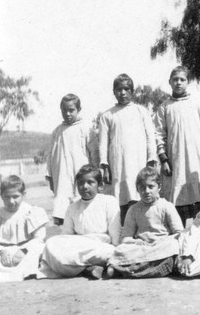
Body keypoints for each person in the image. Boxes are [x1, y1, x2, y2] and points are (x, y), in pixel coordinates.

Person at [154, 66, 200, 225]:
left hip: (196, 157)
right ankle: (178, 229)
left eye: (182, 79)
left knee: (198, 191)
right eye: (175, 80)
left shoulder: (197, 103)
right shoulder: (165, 107)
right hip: (175, 159)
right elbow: (159, 134)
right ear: (170, 82)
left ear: (188, 82)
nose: (178, 83)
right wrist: (164, 160)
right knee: (177, 193)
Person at [39, 165, 121, 279]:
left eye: (90, 182)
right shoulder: (72, 208)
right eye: (81, 183)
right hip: (79, 246)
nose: (84, 186)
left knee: (111, 251)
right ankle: (87, 269)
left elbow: (115, 232)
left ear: (100, 185)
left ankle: (84, 267)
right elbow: (66, 235)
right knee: (51, 243)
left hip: (101, 246)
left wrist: (116, 249)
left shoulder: (109, 202)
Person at [99, 73, 157, 223]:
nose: (123, 93)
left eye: (126, 89)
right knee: (121, 197)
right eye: (119, 89)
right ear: (114, 92)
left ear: (132, 91)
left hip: (138, 162)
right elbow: (103, 142)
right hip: (118, 165)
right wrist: (104, 164)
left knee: (139, 194)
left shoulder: (141, 111)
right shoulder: (107, 116)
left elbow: (151, 137)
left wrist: (151, 158)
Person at [107, 167, 183, 278]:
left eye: (151, 187)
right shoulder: (133, 209)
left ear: (159, 187)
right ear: (137, 189)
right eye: (142, 188)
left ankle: (126, 270)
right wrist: (135, 242)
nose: (146, 191)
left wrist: (163, 241)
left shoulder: (167, 206)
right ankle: (154, 269)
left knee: (173, 246)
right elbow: (125, 238)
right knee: (120, 249)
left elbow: (179, 233)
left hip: (161, 246)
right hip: (142, 247)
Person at [46, 93, 98, 225]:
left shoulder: (86, 129)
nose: (68, 114)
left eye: (71, 110)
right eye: (64, 110)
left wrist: (96, 173)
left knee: (82, 208)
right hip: (62, 176)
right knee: (62, 209)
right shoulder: (57, 132)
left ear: (78, 110)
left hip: (81, 174)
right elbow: (51, 156)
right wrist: (50, 176)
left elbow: (94, 153)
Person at [0, 175, 48, 282]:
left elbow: (39, 238)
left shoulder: (31, 212)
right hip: (4, 252)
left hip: (25, 250)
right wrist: (1, 251)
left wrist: (24, 250)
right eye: (7, 197)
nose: (11, 201)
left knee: (40, 249)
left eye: (15, 196)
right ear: (1, 196)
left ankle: (26, 272)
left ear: (23, 195)